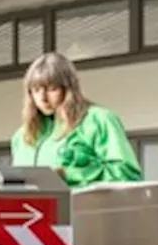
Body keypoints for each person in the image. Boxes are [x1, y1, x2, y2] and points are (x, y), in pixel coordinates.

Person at [10, 52, 142, 187]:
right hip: (31, 208)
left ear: (68, 89)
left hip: (83, 207)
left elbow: (127, 174)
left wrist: (68, 175)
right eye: (36, 90)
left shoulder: (97, 120)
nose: (42, 98)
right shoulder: (21, 137)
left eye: (51, 89)